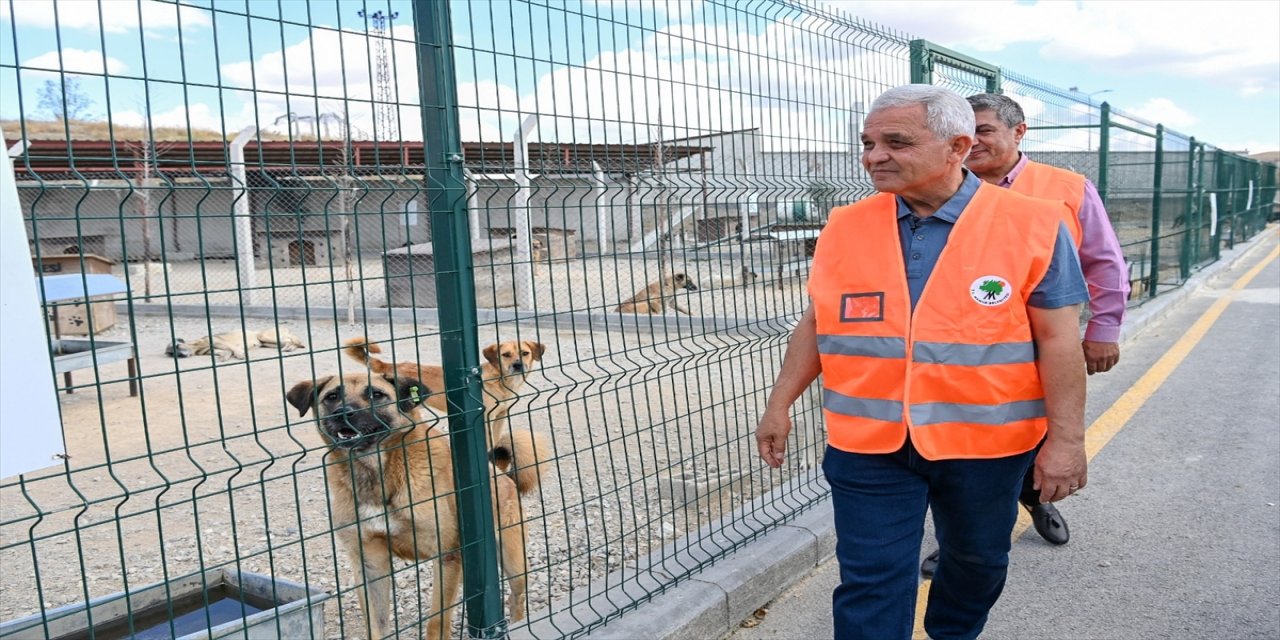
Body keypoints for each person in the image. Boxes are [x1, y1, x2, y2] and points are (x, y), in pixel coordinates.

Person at [754, 84, 1089, 640]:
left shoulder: (1033, 223)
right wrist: (779, 402)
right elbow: (819, 322)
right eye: (867, 142)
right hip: (869, 445)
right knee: (870, 580)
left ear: (957, 146)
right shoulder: (845, 226)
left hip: (987, 446)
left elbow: (1058, 340)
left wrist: (1067, 441)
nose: (873, 156)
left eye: (896, 141)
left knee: (978, 563)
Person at [917, 93, 1132, 576]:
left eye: (986, 130)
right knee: (961, 449)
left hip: (1046, 341)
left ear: (1019, 133)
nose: (974, 142)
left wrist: (1104, 327)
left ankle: (1035, 499)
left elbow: (1104, 261)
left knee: (1039, 435)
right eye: (966, 133)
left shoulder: (1066, 187)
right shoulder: (941, 190)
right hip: (969, 350)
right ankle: (958, 541)